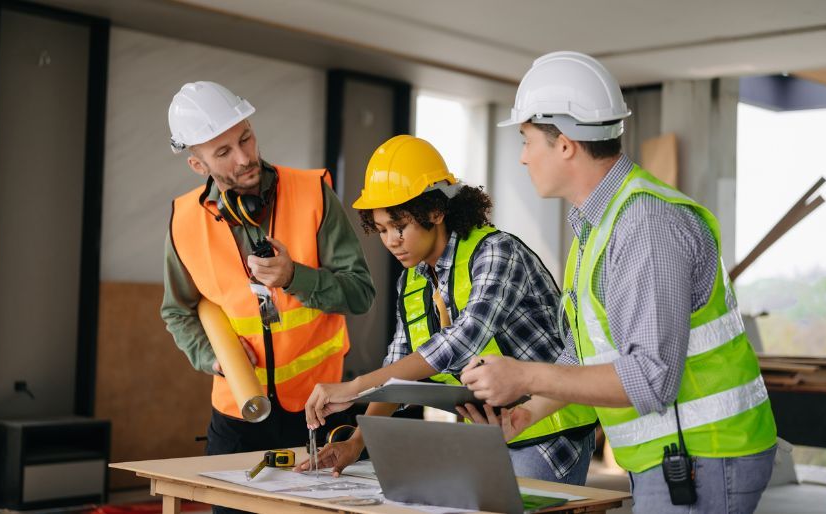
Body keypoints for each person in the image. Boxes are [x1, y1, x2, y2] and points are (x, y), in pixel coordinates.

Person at [459, 52, 778, 512]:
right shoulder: (598, 225)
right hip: (678, 454)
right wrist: (527, 413)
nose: (523, 157)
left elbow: (650, 378)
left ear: (564, 144)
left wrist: (524, 374)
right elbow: (585, 356)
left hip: (705, 453)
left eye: (527, 140)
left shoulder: (645, 226)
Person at [294, 135, 598, 484]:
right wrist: (356, 443)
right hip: (491, 434)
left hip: (551, 433)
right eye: (381, 230)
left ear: (435, 212)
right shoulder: (412, 280)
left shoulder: (496, 253)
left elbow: (463, 339)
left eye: (399, 226)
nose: (391, 241)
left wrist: (355, 386)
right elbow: (397, 371)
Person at [161, 81, 375, 512]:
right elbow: (177, 312)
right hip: (238, 415)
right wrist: (213, 357)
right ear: (198, 164)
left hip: (320, 409)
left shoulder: (313, 194)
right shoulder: (184, 222)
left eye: (246, 138)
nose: (244, 158)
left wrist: (296, 277)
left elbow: (360, 293)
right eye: (223, 152)